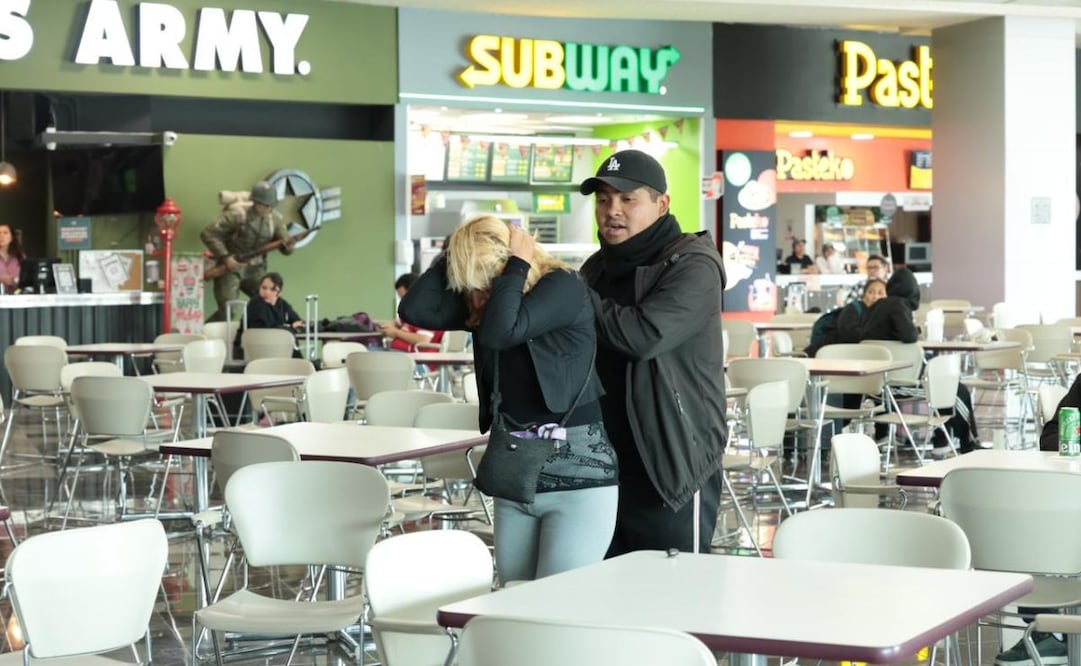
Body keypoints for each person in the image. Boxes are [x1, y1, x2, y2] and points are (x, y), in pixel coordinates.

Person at [399, 215, 617, 583]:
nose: (480, 291)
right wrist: (455, 249)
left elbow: (501, 332)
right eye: (473, 280)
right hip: (515, 476)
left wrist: (517, 263)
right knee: (513, 600)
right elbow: (414, 310)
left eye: (487, 276)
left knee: (555, 606)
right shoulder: (486, 303)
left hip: (577, 479)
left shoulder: (562, 285)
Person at [577, 149, 726, 556]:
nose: (612, 210)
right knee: (607, 601)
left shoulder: (693, 265)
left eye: (628, 199)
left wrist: (569, 294)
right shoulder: (596, 270)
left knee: (675, 599)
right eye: (603, 199)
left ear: (661, 204)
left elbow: (643, 336)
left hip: (671, 460)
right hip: (599, 465)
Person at [201, 181, 294, 322]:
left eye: (270, 205)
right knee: (228, 311)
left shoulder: (275, 220)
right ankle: (206, 335)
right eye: (263, 204)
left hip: (256, 270)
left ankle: (250, 333)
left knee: (269, 303)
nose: (267, 208)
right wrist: (226, 257)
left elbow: (285, 245)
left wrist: (289, 246)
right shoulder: (238, 215)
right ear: (255, 202)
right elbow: (208, 234)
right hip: (231, 268)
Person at [805, 278, 887, 357]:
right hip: (827, 354)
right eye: (870, 292)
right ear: (864, 295)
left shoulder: (885, 315)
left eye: (880, 293)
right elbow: (850, 334)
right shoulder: (853, 308)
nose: (875, 296)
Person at [233, 272, 304, 357]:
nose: (267, 292)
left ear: (279, 292)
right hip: (252, 349)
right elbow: (266, 329)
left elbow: (297, 320)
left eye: (272, 289)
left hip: (273, 347)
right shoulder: (256, 303)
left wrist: (293, 325)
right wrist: (290, 327)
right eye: (264, 288)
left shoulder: (281, 303)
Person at [381, 273, 443, 351]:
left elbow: (424, 340)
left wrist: (396, 333)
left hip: (414, 359)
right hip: (398, 354)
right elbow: (398, 323)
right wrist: (388, 327)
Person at [0, 223, 24, 292]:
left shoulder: (19, 255)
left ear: (12, 237)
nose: (1, 236)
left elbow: (25, 277)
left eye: (5, 233)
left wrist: (14, 280)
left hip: (16, 296)